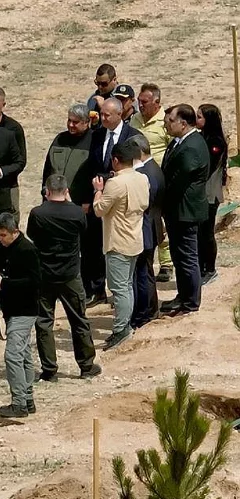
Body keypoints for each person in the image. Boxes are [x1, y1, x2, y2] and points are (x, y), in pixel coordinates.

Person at [29, 174, 101, 380]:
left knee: (44, 322)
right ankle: (86, 366)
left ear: (47, 191)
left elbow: (33, 235)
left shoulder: (38, 213)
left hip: (45, 274)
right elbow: (83, 231)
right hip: (70, 274)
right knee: (79, 319)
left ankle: (49, 369)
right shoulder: (76, 212)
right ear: (66, 190)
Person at [0, 214, 41, 418]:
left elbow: (34, 283)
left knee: (12, 356)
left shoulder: (27, 250)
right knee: (24, 355)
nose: (0, 238)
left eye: (3, 235)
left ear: (15, 232)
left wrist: (4, 284)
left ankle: (19, 402)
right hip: (13, 310)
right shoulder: (6, 247)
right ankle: (27, 400)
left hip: (24, 311)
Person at [79, 97, 144, 305]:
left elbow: (138, 168)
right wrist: (88, 197)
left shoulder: (132, 137)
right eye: (102, 114)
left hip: (123, 199)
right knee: (94, 245)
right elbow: (90, 166)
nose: (103, 118)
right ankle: (97, 289)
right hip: (100, 196)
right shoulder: (96, 135)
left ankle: (122, 296)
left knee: (118, 249)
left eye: (107, 115)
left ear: (119, 115)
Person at [92, 140, 149, 350]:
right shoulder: (142, 178)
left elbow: (99, 210)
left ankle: (121, 328)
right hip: (134, 238)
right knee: (126, 286)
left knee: (119, 288)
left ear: (115, 160)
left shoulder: (114, 184)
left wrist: (98, 190)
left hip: (117, 241)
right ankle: (125, 324)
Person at [161, 104, 210, 316]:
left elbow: (178, 181)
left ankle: (191, 302)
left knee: (187, 258)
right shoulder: (180, 142)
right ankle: (183, 295)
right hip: (177, 212)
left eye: (171, 121)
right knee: (179, 257)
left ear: (183, 123)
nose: (167, 124)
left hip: (185, 211)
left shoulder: (191, 146)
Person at [132, 134, 164, 329]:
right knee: (147, 272)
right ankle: (150, 309)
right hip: (152, 226)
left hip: (145, 228)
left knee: (142, 273)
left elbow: (144, 202)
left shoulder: (145, 173)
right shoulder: (154, 168)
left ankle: (144, 313)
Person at [198, 103, 228, 285]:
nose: (196, 119)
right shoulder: (203, 137)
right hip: (201, 194)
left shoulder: (215, 141)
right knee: (199, 233)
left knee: (207, 232)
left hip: (210, 193)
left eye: (200, 116)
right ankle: (201, 266)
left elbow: (208, 166)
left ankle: (210, 269)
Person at [0, 86, 27, 216]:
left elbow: (20, 161)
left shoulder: (13, 128)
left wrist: (1, 171)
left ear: (3, 104)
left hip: (7, 187)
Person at [40, 104, 93, 201]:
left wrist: (88, 200)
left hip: (78, 202)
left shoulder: (94, 141)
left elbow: (93, 174)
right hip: (54, 199)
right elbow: (48, 169)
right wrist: (44, 191)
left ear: (86, 123)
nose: (71, 125)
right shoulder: (60, 139)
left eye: (75, 122)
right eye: (69, 120)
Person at [132, 83, 169, 164]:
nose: (140, 105)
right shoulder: (135, 118)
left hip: (157, 171)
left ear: (156, 102)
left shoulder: (166, 121)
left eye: (144, 102)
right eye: (139, 101)